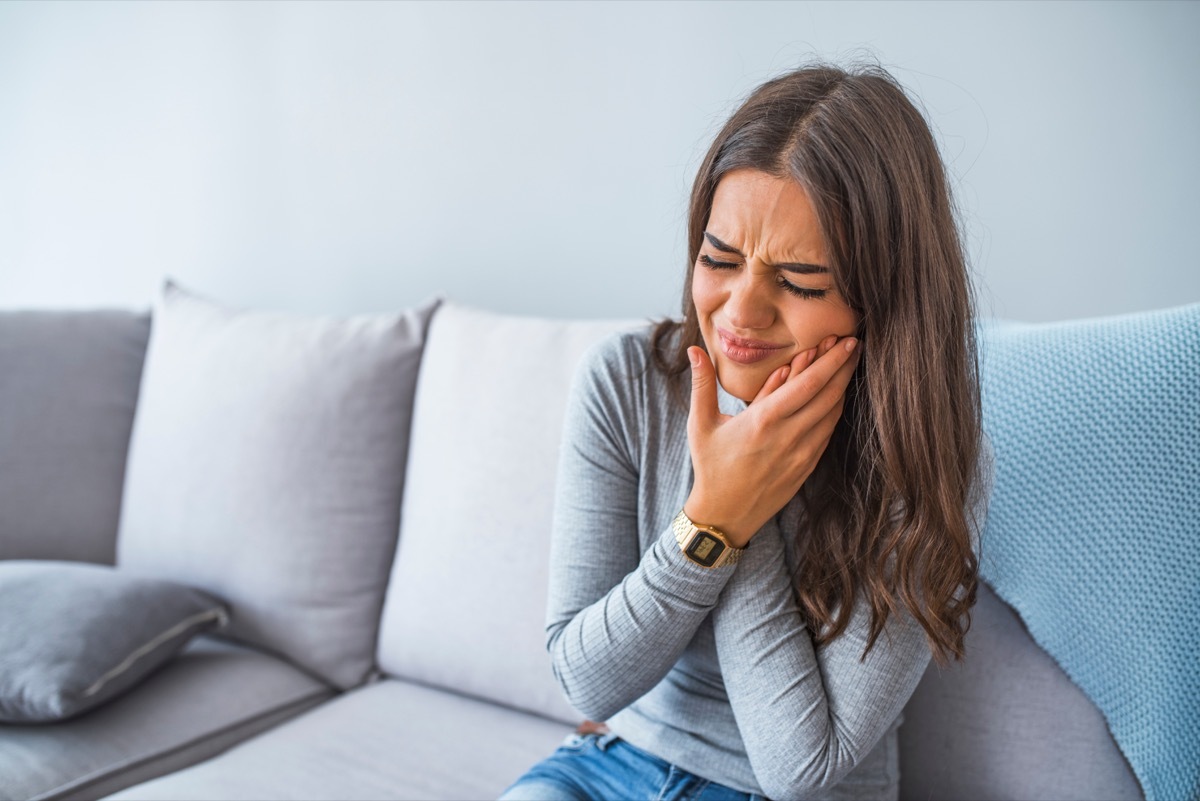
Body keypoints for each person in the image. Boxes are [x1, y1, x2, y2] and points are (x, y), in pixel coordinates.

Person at [501, 62, 990, 801]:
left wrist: (743, 502)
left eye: (798, 282)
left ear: (883, 301)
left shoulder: (924, 456)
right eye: (719, 260)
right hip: (610, 768)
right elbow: (585, 676)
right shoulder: (625, 383)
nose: (740, 312)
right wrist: (714, 517)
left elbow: (801, 767)